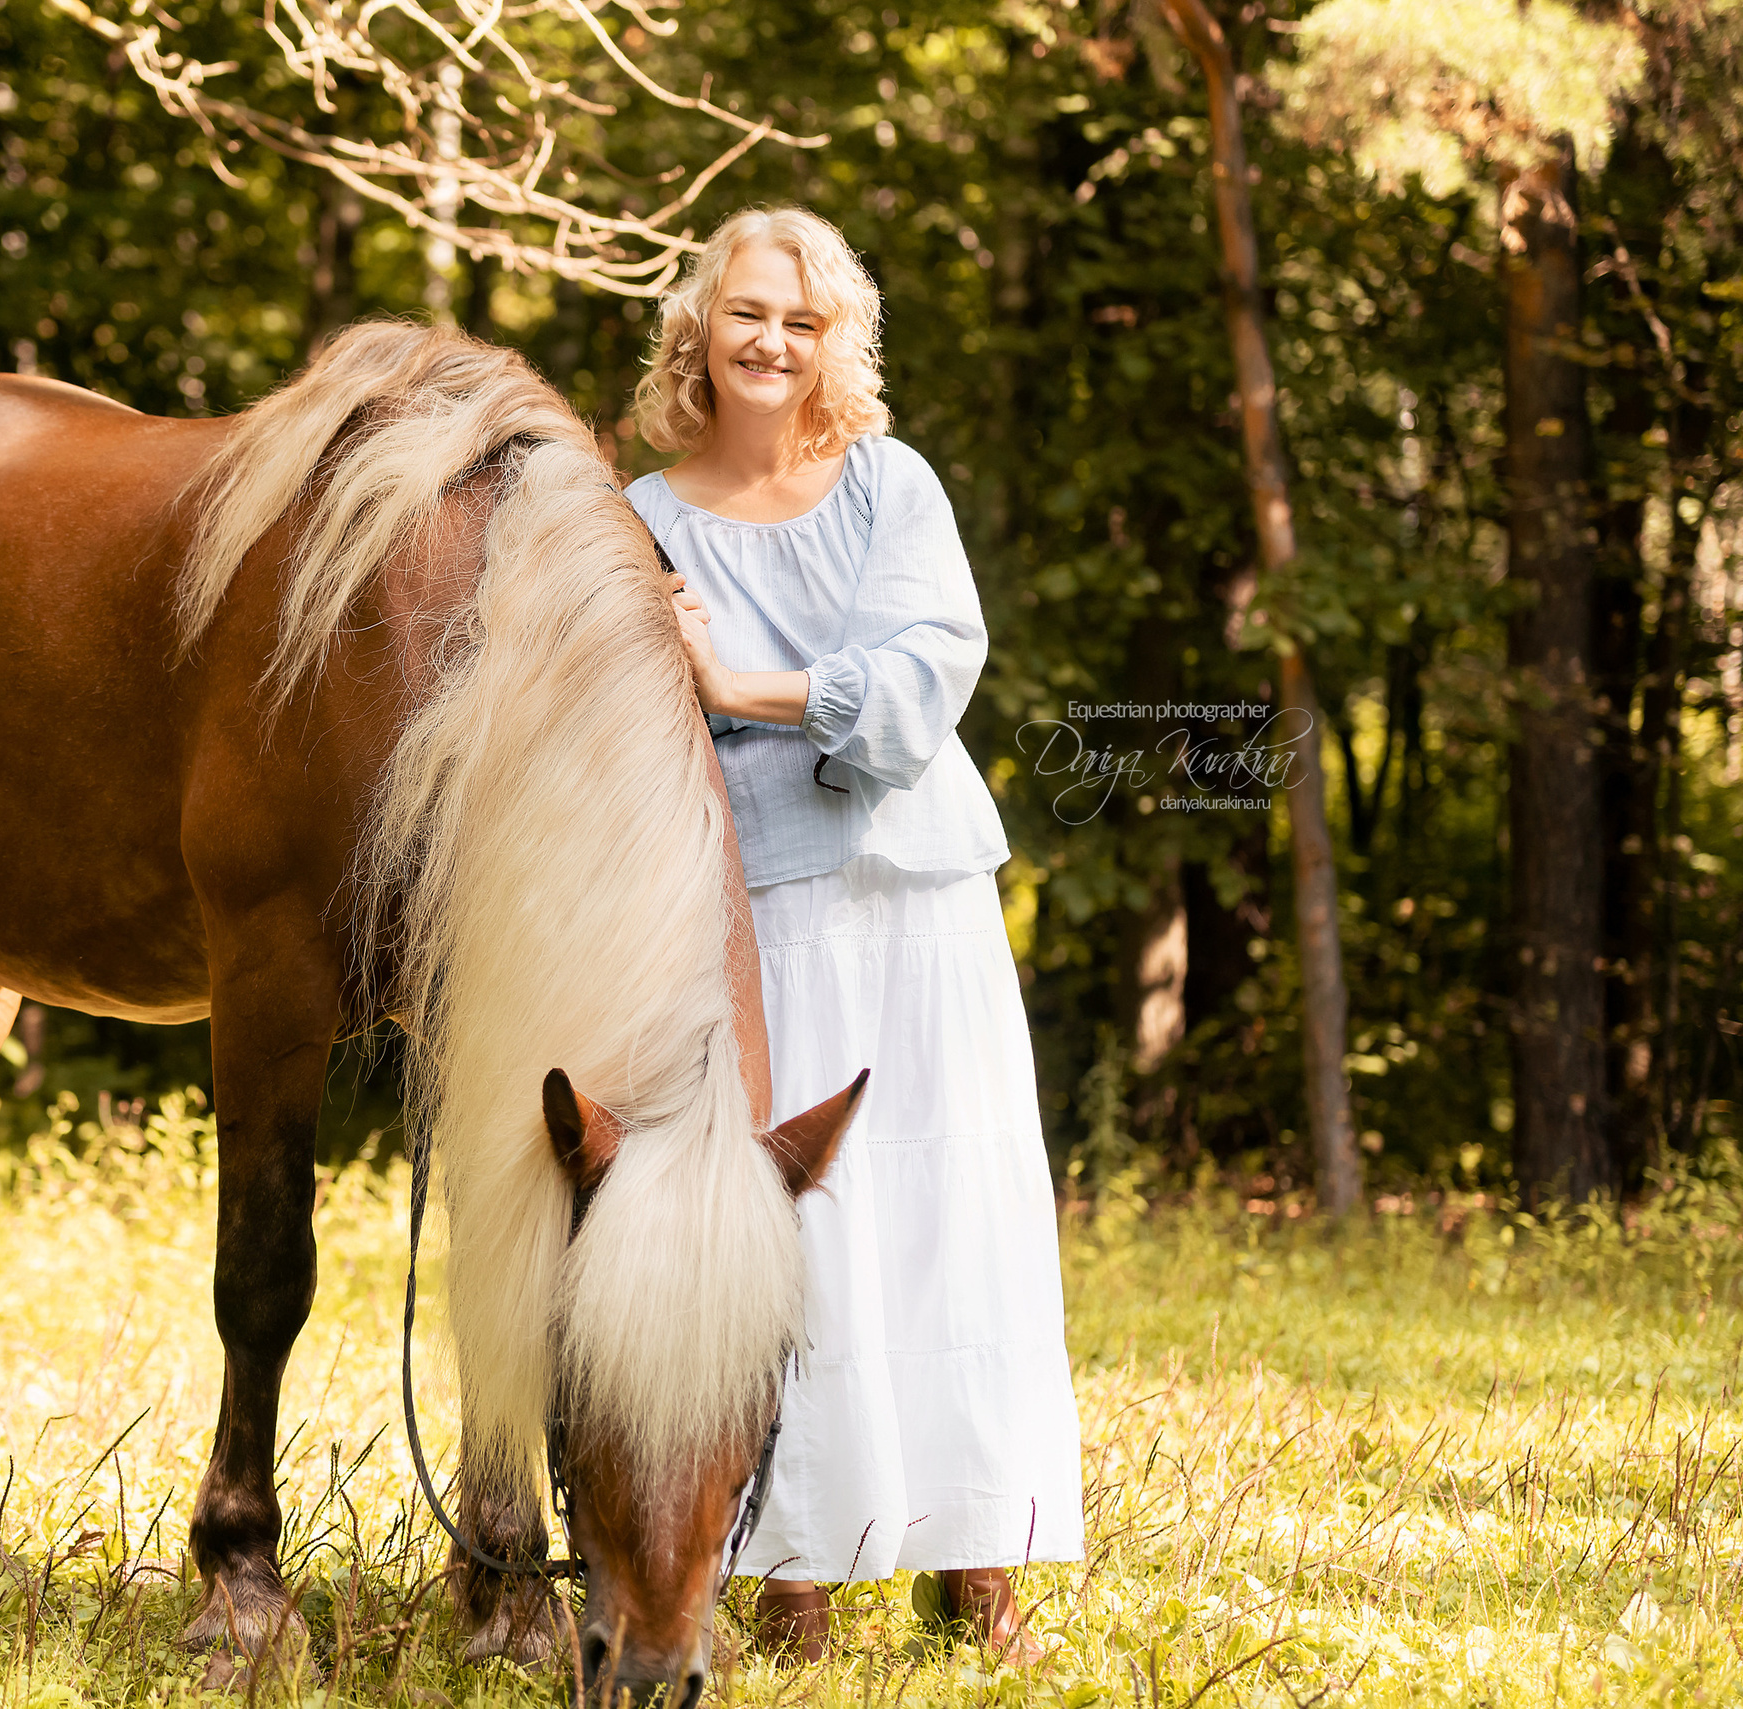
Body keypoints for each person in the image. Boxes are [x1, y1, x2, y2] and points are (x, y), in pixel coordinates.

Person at [625, 205, 1084, 1666]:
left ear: (838, 341)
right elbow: (641, 713)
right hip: (761, 906)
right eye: (746, 312)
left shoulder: (892, 485)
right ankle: (794, 1556)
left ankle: (977, 1555)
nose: (770, 340)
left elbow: (915, 692)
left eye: (800, 320)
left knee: (956, 1214)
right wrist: (732, 694)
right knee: (793, 1233)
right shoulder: (641, 515)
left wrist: (744, 687)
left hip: (922, 897)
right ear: (700, 326)